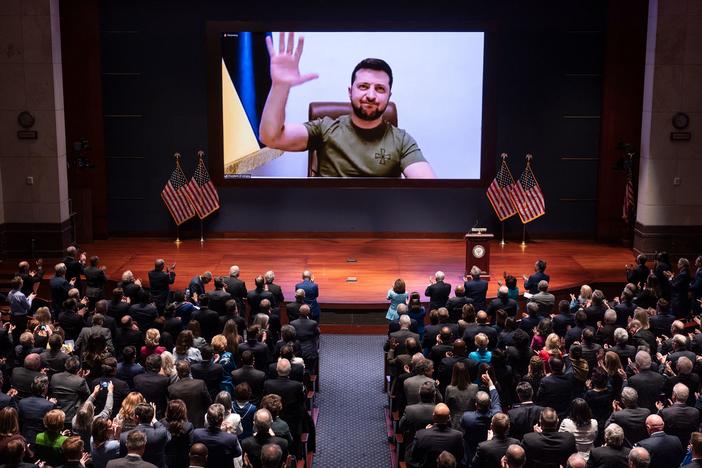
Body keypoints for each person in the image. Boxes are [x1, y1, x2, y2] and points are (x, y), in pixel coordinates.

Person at [259, 32, 435, 178]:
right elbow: (270, 137)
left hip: (378, 219)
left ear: (389, 96)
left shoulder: (401, 140)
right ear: (350, 92)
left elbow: (430, 191)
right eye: (363, 86)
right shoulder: (325, 128)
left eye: (380, 89)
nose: (371, 95)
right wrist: (280, 86)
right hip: (329, 217)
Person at [410, 404, 464, 468]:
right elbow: (460, 457)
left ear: (433, 416)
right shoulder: (458, 436)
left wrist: (425, 432)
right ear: (449, 418)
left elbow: (414, 456)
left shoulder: (420, 434)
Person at [192, 404, 242, 468]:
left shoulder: (196, 433)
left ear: (207, 418)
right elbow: (238, 453)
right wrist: (228, 432)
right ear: (222, 420)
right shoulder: (231, 438)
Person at [167, 361, 212, 428]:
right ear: (189, 370)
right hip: (199, 422)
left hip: (181, 426)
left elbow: (171, 410)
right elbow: (209, 402)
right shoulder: (200, 384)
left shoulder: (172, 389)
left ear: (178, 372)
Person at [162, 400, 194, 468]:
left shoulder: (162, 423)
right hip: (183, 461)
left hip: (165, 460)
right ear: (183, 411)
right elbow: (191, 444)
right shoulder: (188, 426)